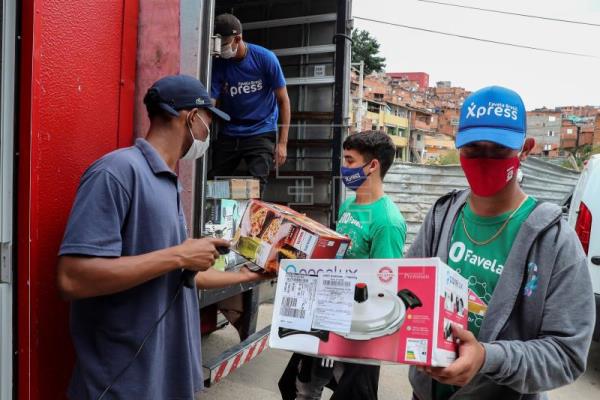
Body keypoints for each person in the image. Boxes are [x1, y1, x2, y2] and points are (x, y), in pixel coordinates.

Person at [57, 74, 269, 400]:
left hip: (162, 378)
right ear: (190, 116)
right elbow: (73, 279)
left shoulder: (168, 181)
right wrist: (181, 254)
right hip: (120, 384)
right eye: (209, 121)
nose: (208, 132)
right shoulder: (116, 172)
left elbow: (173, 275)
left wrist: (245, 275)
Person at [407, 86, 595, 400]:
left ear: (525, 148)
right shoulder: (442, 217)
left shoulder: (554, 240)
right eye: (473, 149)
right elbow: (407, 296)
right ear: (458, 145)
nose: (485, 159)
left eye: (498, 150)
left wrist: (487, 357)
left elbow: (567, 353)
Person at [278, 131, 407, 400]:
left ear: (372, 166)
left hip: (356, 330)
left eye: (349, 161)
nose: (344, 168)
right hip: (327, 315)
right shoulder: (348, 204)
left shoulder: (388, 221)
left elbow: (384, 288)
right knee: (300, 388)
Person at [209, 13, 291, 192]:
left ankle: (248, 217)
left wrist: (283, 144)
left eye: (224, 45)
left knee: (255, 186)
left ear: (238, 39)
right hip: (229, 131)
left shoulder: (265, 58)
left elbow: (283, 100)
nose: (221, 50)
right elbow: (211, 102)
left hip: (261, 130)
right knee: (212, 184)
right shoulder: (219, 64)